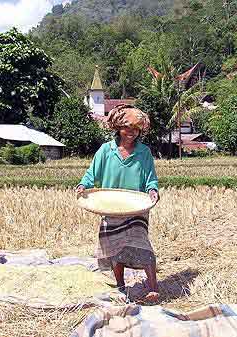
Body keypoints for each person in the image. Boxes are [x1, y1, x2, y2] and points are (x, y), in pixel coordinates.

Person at [76, 104, 160, 302]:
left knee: (142, 244)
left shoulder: (144, 152)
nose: (131, 133)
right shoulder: (106, 150)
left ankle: (153, 287)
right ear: (117, 128)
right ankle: (120, 285)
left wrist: (153, 190)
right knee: (114, 248)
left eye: (136, 129)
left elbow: (150, 178)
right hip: (110, 207)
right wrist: (82, 185)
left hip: (136, 208)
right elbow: (91, 174)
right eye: (127, 128)